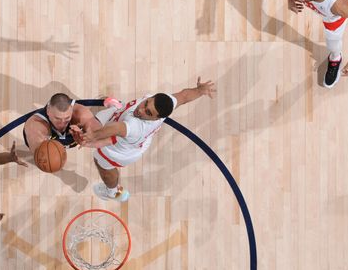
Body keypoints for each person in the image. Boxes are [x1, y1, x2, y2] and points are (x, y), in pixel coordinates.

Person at [73, 78, 215, 201]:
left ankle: (112, 191)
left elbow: (113, 131)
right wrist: (200, 90)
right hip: (120, 120)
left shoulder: (136, 127)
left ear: (156, 118)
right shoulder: (164, 101)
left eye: (148, 112)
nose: (141, 110)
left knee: (101, 163)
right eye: (146, 103)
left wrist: (92, 137)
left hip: (120, 151)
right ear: (151, 98)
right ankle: (117, 107)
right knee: (114, 113)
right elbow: (184, 96)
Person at [22, 93, 118, 154]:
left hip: (83, 121)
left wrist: (85, 138)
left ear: (71, 110)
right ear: (48, 111)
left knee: (98, 124)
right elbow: (39, 153)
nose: (63, 123)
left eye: (67, 118)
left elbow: (105, 139)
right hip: (48, 139)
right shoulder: (36, 124)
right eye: (58, 119)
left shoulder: (80, 114)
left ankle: (113, 107)